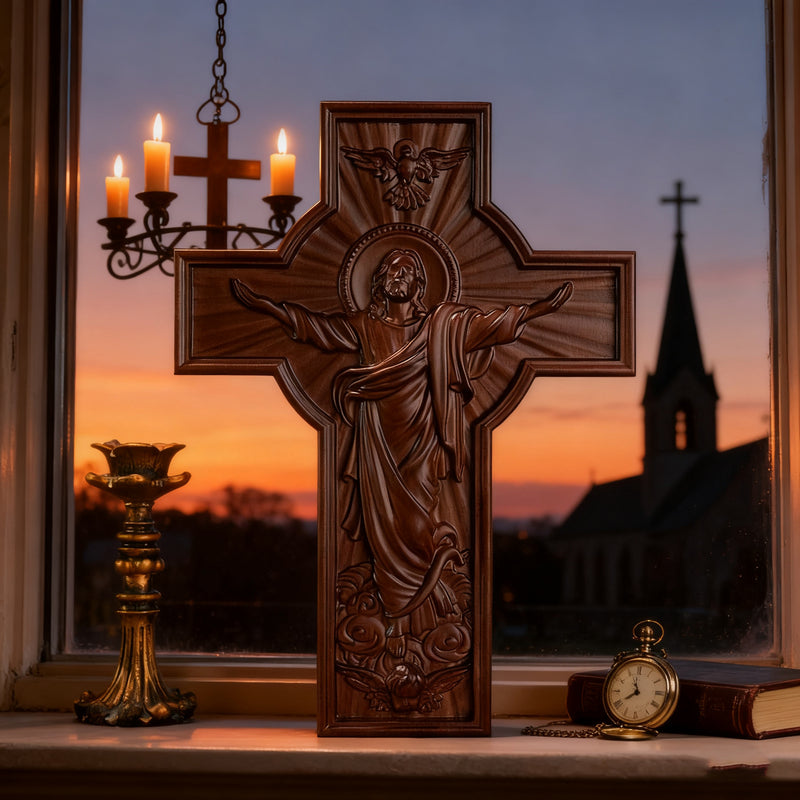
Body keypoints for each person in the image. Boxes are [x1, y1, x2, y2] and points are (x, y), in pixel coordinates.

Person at [232, 248, 572, 657]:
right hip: (377, 441)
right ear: (378, 282)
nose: (397, 275)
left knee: (418, 520)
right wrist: (267, 306)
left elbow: (490, 327)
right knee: (383, 524)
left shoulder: (441, 327)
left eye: (407, 270)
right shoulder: (363, 325)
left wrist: (538, 309)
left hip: (423, 441)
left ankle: (422, 600)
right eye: (390, 269)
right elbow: (318, 329)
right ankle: (395, 611)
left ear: (419, 285)